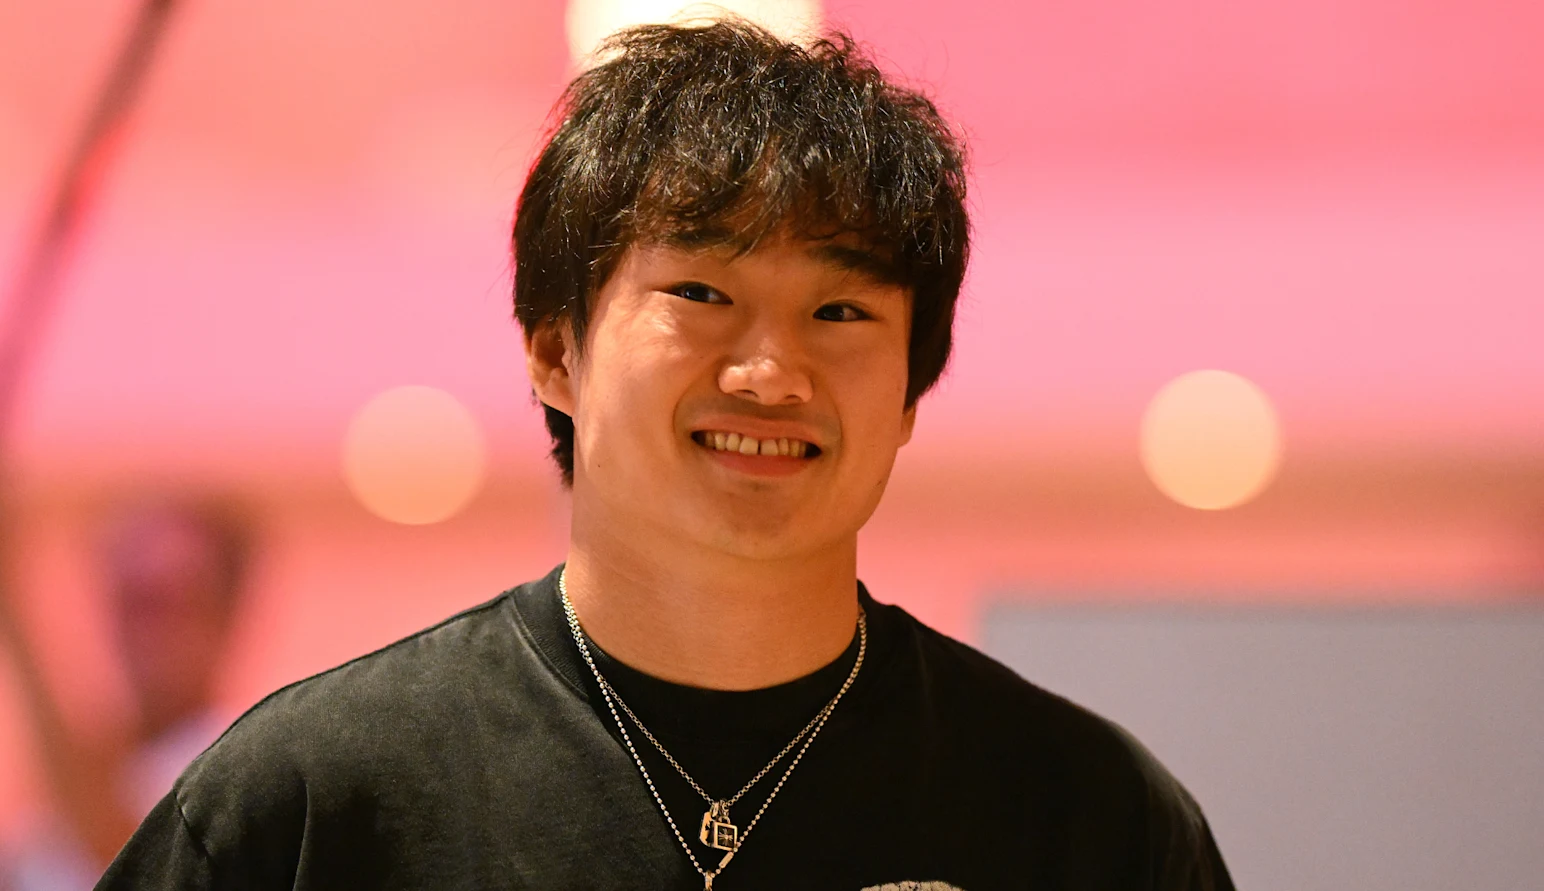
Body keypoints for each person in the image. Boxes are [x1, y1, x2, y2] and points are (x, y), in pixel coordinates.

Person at [98, 19, 1235, 890]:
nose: (772, 374)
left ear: (908, 393)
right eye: (700, 293)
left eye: (841, 312)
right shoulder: (310, 803)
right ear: (556, 351)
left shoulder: (1089, 816)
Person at [0, 482, 252, 889]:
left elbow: (127, 853)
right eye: (129, 600)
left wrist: (2, 595)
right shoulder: (97, 769)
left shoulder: (243, 770)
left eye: (165, 601)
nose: (145, 629)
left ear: (226, 613)